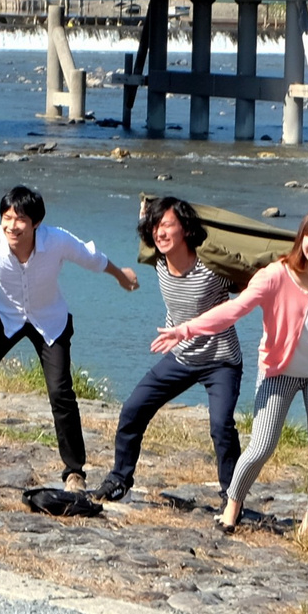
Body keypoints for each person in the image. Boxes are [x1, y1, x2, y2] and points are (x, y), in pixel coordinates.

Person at [152, 207, 308, 535]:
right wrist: (185, 330)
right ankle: (232, 506)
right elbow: (233, 309)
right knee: (261, 445)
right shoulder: (275, 275)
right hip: (279, 370)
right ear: (302, 237)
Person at [0, 184, 137, 487]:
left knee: (61, 391)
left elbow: (92, 257)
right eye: (7, 217)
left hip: (50, 321)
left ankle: (74, 472)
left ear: (35, 223)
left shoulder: (57, 240)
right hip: (4, 317)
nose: (12, 226)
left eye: (20, 219)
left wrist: (121, 275)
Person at [94, 197, 244, 503]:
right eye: (155, 227)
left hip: (221, 361)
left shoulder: (212, 268)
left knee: (221, 426)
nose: (159, 233)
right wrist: (147, 215)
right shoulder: (159, 260)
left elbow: (252, 282)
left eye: (167, 226)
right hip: (181, 356)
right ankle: (120, 478)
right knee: (133, 410)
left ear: (186, 229)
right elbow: (146, 238)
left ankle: (233, 496)